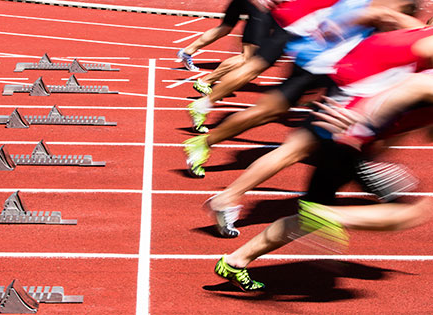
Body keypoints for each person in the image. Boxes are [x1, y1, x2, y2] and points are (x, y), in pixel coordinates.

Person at [207, 21, 433, 238]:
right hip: (356, 97)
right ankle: (229, 199)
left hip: (357, 89)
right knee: (297, 151)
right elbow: (408, 81)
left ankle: (229, 198)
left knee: (299, 150)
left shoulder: (414, 29)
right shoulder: (421, 37)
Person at [213, 88, 433, 292]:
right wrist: (365, 122)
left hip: (344, 141)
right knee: (408, 212)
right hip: (355, 144)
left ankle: (235, 261)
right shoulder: (424, 81)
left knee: (308, 217)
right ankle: (327, 215)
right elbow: (405, 90)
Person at [184, 0, 421, 178]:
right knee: (274, 113)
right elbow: (380, 14)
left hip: (333, 63)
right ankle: (210, 154)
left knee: (299, 121)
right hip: (325, 63)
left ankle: (208, 143)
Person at [188, 0, 340, 130]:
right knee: (251, 62)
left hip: (296, 19)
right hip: (303, 22)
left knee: (255, 65)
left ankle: (204, 104)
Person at [177, 0, 275, 72]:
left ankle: (187, 51)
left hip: (244, 3)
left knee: (225, 27)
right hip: (257, 5)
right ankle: (208, 80)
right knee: (247, 57)